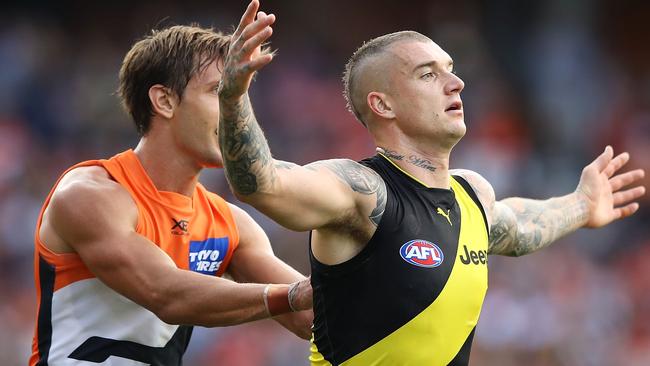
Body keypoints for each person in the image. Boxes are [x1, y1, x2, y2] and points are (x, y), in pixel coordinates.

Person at [217, 1, 647, 365]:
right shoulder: (361, 190)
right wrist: (234, 97)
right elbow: (261, 183)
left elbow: (518, 225)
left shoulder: (472, 194)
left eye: (451, 70)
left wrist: (581, 204)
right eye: (428, 74)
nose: (456, 83)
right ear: (382, 104)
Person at [29, 22, 314, 366]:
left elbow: (310, 318)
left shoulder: (230, 224)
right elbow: (166, 294)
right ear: (164, 100)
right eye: (221, 91)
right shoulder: (90, 194)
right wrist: (298, 294)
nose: (237, 113)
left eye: (241, 95)